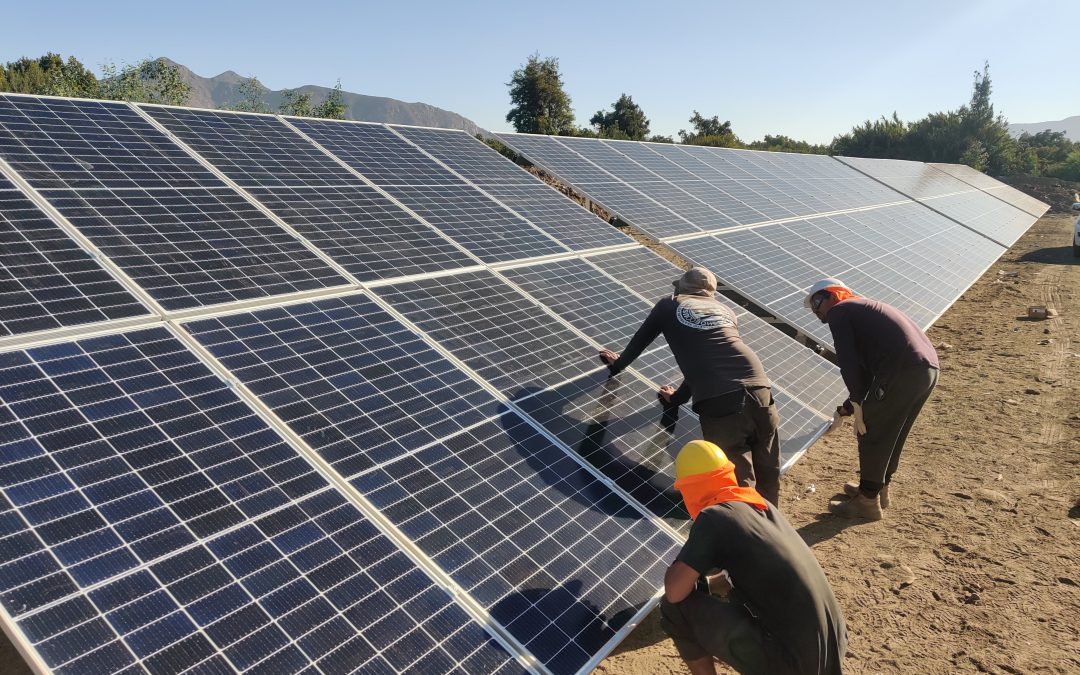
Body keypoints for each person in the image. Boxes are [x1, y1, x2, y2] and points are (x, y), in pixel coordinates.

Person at [598, 267, 782, 505]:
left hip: (721, 400)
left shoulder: (669, 305)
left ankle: (746, 534)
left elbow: (639, 342)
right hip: (760, 387)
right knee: (768, 468)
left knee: (736, 480)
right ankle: (772, 527)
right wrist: (676, 400)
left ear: (681, 287)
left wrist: (618, 365)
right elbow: (707, 361)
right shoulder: (726, 311)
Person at [661, 440, 847, 675]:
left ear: (690, 489)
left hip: (794, 663)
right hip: (832, 646)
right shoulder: (759, 504)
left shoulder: (713, 517)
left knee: (672, 609)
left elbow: (675, 591)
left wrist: (677, 567)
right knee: (723, 590)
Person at [804, 278, 939, 520]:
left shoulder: (840, 311)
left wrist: (858, 404)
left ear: (834, 295)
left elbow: (849, 362)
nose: (816, 311)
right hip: (926, 370)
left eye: (816, 302)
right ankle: (878, 489)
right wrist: (849, 406)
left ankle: (866, 502)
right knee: (893, 431)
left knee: (872, 431)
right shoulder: (864, 309)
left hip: (902, 370)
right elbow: (866, 371)